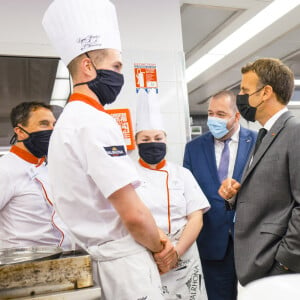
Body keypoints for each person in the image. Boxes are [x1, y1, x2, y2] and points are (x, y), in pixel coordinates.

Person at [42, 1, 172, 299]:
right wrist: (160, 246)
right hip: (123, 268)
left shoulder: (66, 123)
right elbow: (133, 215)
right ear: (88, 66)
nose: (119, 75)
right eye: (115, 66)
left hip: (93, 263)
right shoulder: (96, 122)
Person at [219, 58, 300, 286]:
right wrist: (236, 195)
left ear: (265, 92)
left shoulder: (294, 132)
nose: (241, 97)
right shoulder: (265, 135)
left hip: (275, 268)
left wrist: (283, 263)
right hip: (254, 264)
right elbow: (275, 193)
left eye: (245, 90)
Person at [134, 91, 210, 299]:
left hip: (184, 256)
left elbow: (196, 217)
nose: (153, 143)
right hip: (148, 257)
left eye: (158, 138)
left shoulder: (181, 173)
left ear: (166, 139)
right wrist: (160, 253)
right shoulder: (128, 176)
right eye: (146, 139)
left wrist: (175, 252)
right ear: (136, 142)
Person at [183, 90, 257, 300]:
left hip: (251, 242)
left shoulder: (257, 143)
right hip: (212, 241)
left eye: (221, 114)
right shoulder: (193, 149)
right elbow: (188, 195)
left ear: (236, 116)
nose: (213, 119)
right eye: (210, 113)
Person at [0, 102, 70, 249]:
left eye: (54, 125)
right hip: (21, 264)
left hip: (60, 259)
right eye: (44, 124)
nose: (52, 130)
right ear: (20, 131)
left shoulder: (48, 167)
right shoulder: (4, 169)